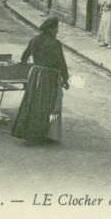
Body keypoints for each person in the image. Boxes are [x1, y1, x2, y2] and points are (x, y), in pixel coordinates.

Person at [11, 16, 69, 144]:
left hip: (35, 75)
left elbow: (24, 57)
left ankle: (28, 132)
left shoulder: (34, 40)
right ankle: (45, 134)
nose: (57, 31)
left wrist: (24, 64)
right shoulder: (55, 43)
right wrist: (65, 79)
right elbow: (61, 63)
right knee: (50, 105)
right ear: (51, 29)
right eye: (56, 29)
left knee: (32, 102)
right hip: (50, 76)